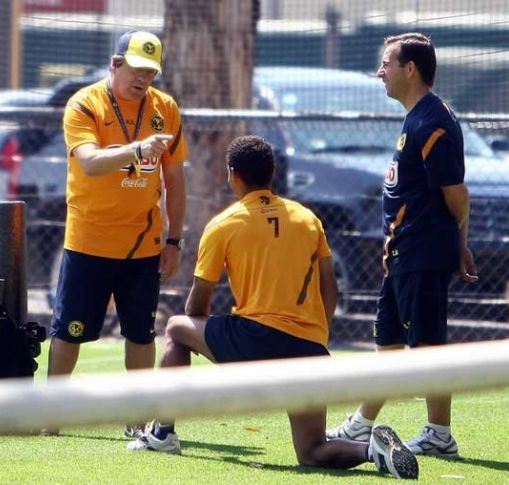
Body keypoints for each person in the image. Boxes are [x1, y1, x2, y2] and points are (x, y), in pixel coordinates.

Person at [126, 135, 418, 479]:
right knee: (312, 452)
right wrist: (316, 338)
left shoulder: (224, 224)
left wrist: (217, 347)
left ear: (232, 175)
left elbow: (197, 303)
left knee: (176, 328)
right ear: (273, 172)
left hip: (255, 343)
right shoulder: (308, 219)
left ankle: (162, 434)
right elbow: (331, 288)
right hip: (309, 350)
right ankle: (372, 451)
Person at [326, 33, 479, 458]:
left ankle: (439, 435)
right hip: (403, 253)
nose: (380, 72)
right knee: (389, 341)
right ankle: (361, 424)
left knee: (427, 347)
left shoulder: (433, 121)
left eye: (386, 63)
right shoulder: (416, 117)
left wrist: (460, 244)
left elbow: (457, 194)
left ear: (410, 69)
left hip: (423, 252)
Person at [45, 30, 189, 438]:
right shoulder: (84, 104)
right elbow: (89, 162)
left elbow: (175, 180)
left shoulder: (166, 109)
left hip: (143, 243)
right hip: (88, 239)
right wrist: (138, 150)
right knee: (68, 331)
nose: (143, 78)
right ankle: (50, 416)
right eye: (137, 69)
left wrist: (174, 240)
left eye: (151, 71)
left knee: (140, 333)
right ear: (115, 64)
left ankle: (137, 421)